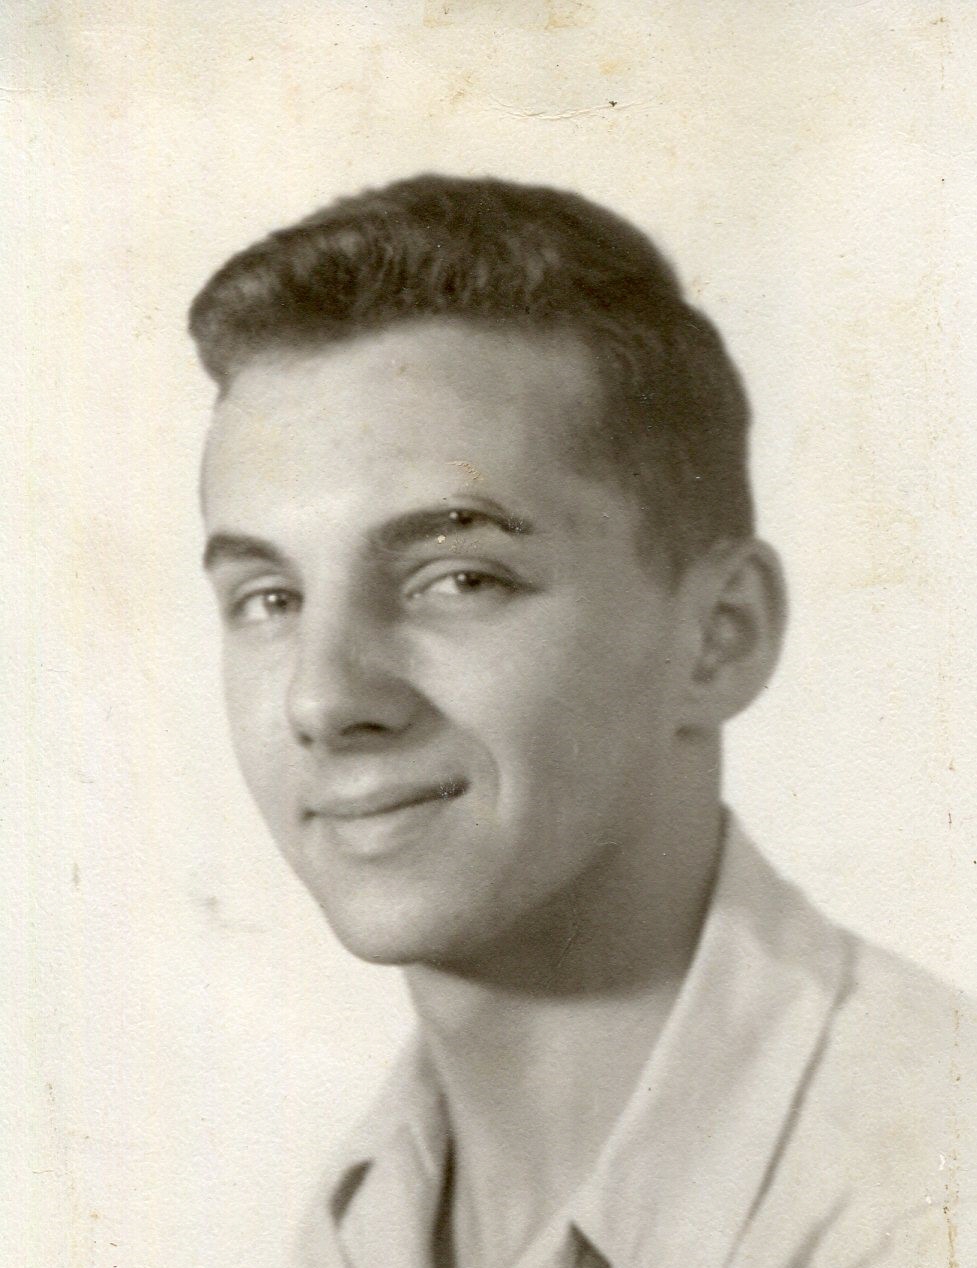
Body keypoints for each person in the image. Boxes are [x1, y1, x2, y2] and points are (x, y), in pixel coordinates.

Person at [190, 175, 975, 1268]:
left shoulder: (928, 1197)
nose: (323, 699)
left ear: (720, 635)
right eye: (270, 598)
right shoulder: (360, 1211)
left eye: (458, 578)